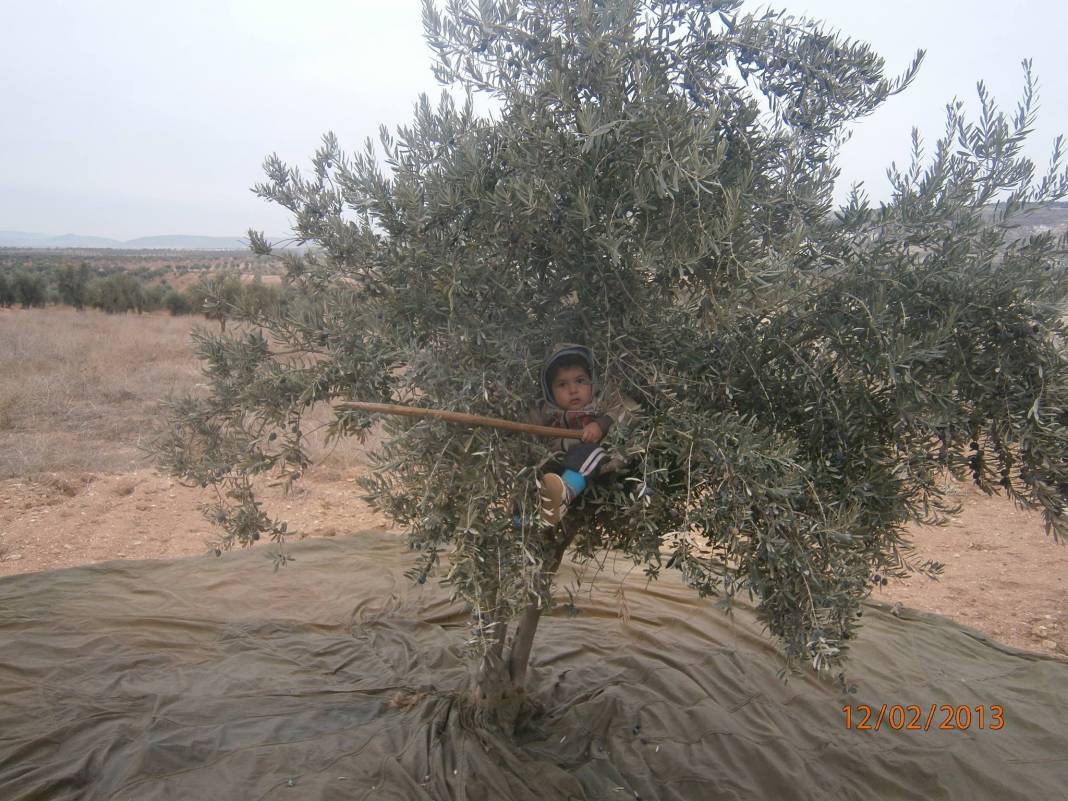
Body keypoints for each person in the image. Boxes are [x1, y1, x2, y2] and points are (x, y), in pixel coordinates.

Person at [532, 343, 634, 526]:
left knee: (592, 451)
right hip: (556, 460)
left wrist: (601, 424)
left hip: (592, 461)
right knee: (535, 472)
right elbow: (522, 421)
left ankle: (566, 492)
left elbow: (630, 409)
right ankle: (527, 516)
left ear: (592, 381)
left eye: (580, 381)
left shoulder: (599, 403)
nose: (573, 390)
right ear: (550, 391)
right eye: (562, 384)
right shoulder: (546, 411)